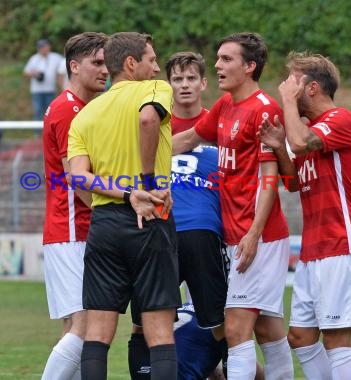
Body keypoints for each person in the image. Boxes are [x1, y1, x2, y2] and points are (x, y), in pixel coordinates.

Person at [173, 32, 294, 380]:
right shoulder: (226, 106)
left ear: (249, 66)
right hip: (235, 234)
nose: (217, 65)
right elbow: (188, 138)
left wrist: (255, 232)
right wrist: (142, 154)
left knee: (237, 330)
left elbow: (271, 177)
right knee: (269, 331)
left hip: (258, 236)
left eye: (227, 59)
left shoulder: (264, 110)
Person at [68, 31, 179, 380]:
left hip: (104, 223)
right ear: (131, 63)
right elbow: (148, 119)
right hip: (151, 217)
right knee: (158, 331)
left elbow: (79, 177)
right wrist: (144, 185)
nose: (157, 66)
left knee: (97, 333)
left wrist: (123, 191)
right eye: (152, 59)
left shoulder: (85, 115)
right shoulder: (156, 89)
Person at [258, 51, 351, 380]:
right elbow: (293, 183)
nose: (284, 87)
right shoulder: (312, 131)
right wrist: (279, 147)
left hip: (341, 243)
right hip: (314, 249)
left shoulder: (341, 119)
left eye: (292, 81)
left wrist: (287, 107)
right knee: (301, 337)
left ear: (311, 88)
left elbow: (301, 140)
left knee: (336, 339)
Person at [128, 51, 230, 380]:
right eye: (177, 79)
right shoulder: (153, 124)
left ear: (203, 83)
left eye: (190, 78)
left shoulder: (223, 127)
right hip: (159, 235)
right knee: (146, 320)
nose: (184, 85)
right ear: (168, 85)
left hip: (205, 234)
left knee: (220, 322)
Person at [40, 31, 109, 380]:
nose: (105, 70)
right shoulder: (69, 109)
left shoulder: (82, 107)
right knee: (84, 326)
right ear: (74, 66)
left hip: (71, 229)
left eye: (106, 63)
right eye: (97, 63)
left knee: (77, 327)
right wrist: (110, 215)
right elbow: (75, 177)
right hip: (72, 228)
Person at [23, 39, 65, 121]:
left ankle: (49, 132)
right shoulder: (34, 58)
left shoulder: (56, 57)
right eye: (40, 47)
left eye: (44, 47)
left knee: (50, 111)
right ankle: (37, 133)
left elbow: (64, 64)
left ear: (49, 47)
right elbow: (26, 72)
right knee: (38, 111)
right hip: (37, 90)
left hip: (50, 90)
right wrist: (34, 73)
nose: (42, 49)